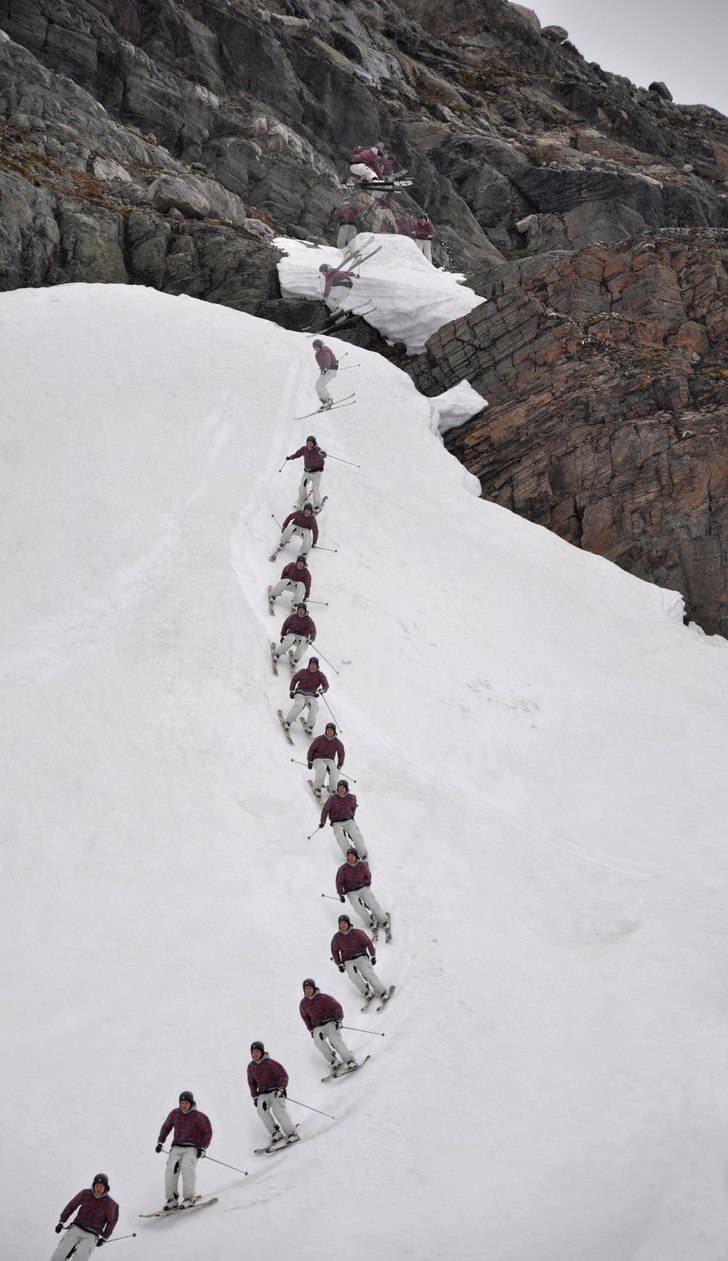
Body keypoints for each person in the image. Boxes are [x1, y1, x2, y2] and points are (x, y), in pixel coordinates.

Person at [156, 1090, 213, 1210]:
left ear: (191, 1103)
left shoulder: (199, 1116)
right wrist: (160, 1142)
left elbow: (207, 1132)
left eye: (186, 1103)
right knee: (171, 1168)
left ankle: (189, 1197)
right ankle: (172, 1199)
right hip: (176, 1147)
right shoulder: (174, 1114)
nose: (184, 1105)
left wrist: (203, 1147)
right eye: (182, 1102)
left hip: (191, 1148)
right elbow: (166, 1127)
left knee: (187, 1167)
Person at [50, 1175, 118, 1259]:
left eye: (101, 1186)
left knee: (81, 1256)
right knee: (62, 1251)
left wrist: (104, 1238)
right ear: (93, 1185)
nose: (99, 1188)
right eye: (97, 1185)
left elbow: (112, 1221)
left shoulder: (110, 1204)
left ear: (106, 1187)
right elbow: (71, 1205)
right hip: (77, 1227)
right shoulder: (85, 1193)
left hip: (92, 1234)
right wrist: (61, 1222)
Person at [247, 1041, 299, 1144]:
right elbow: (251, 1082)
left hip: (276, 1091)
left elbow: (283, 1075)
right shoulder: (251, 1067)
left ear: (262, 1052)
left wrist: (281, 1088)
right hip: (262, 1093)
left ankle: (292, 1133)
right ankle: (275, 1133)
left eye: (257, 1051)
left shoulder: (270, 1063)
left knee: (278, 1110)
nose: (255, 1054)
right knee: (261, 1111)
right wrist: (255, 1097)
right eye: (253, 1052)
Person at [331, 914, 390, 1002]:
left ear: (348, 923)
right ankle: (366, 992)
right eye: (341, 923)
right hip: (347, 960)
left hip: (360, 956)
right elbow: (334, 952)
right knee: (353, 975)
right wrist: (339, 964)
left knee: (368, 973)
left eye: (344, 923)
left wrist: (373, 956)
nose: (343, 925)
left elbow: (368, 943)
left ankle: (382, 992)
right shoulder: (336, 938)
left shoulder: (357, 933)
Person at [299, 978, 357, 1070]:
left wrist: (338, 1020)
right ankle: (333, 1060)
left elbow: (336, 1007)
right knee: (318, 1042)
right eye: (306, 989)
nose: (308, 990)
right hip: (317, 1027)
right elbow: (305, 1018)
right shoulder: (303, 1004)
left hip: (330, 1022)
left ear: (314, 988)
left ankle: (350, 1061)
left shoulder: (324, 997)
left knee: (335, 1040)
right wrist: (311, 1029)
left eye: (310, 988)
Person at [336, 847, 390, 934]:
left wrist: (367, 886)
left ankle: (383, 921)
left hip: (362, 887)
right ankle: (370, 923)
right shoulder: (343, 869)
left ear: (356, 856)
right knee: (357, 907)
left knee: (372, 903)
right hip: (351, 891)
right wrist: (340, 894)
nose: (351, 858)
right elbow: (339, 881)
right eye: (349, 856)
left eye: (352, 855)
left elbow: (368, 875)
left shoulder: (362, 865)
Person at [319, 778, 367, 858]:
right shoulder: (332, 798)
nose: (341, 789)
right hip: (336, 822)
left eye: (343, 787)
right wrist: (322, 821)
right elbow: (325, 810)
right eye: (340, 787)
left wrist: (351, 817)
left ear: (346, 789)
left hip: (348, 820)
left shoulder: (352, 797)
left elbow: (353, 808)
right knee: (340, 837)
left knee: (356, 835)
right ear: (337, 788)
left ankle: (363, 854)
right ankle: (349, 855)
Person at [284, 657, 329, 734]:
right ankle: (288, 722)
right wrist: (292, 690)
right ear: (309, 664)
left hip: (311, 696)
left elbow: (326, 686)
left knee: (314, 707)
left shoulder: (320, 675)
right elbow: (294, 680)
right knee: (299, 704)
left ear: (317, 665)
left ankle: (310, 726)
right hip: (300, 693)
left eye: (314, 664)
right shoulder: (303, 672)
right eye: (311, 664)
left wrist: (321, 691)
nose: (312, 666)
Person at [307, 721, 345, 798]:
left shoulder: (337, 742)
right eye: (328, 730)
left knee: (334, 769)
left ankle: (333, 790)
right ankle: (317, 788)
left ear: (334, 731)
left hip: (329, 760)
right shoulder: (319, 739)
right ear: (326, 730)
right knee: (322, 767)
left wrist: (339, 765)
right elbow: (311, 750)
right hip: (318, 759)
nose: (329, 732)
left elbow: (341, 754)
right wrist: (309, 761)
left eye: (331, 730)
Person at [287, 433, 328, 504]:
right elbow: (298, 454)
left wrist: (323, 454)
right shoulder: (304, 449)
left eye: (311, 443)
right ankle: (302, 499)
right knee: (302, 486)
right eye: (308, 442)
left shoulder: (318, 450)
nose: (309, 444)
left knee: (315, 488)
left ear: (314, 443)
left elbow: (323, 455)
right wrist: (291, 457)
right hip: (307, 472)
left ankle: (317, 505)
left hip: (316, 473)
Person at [310, 344, 338, 412]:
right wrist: (322, 369)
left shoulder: (325, 351)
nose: (316, 349)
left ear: (320, 346)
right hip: (327, 371)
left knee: (320, 385)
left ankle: (328, 401)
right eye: (314, 348)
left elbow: (327, 360)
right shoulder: (317, 355)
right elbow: (320, 364)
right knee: (317, 385)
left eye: (317, 347)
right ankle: (324, 402)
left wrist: (325, 368)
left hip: (331, 370)